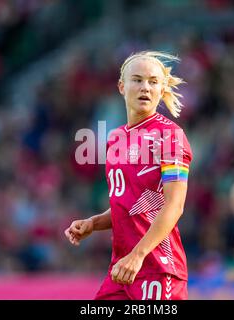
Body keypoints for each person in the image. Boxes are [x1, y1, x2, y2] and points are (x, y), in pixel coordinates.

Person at [65, 51, 192, 300]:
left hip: (158, 268)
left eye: (153, 82)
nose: (145, 87)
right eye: (137, 79)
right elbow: (130, 205)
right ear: (122, 87)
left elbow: (174, 206)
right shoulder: (115, 139)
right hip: (122, 271)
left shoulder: (170, 136)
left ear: (161, 89)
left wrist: (138, 254)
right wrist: (94, 223)